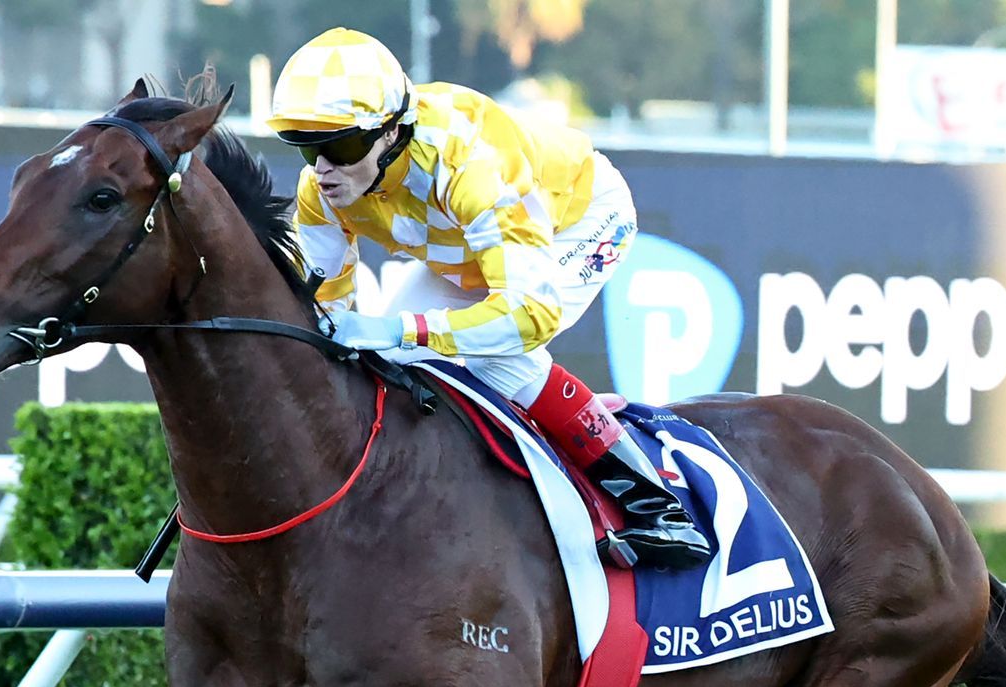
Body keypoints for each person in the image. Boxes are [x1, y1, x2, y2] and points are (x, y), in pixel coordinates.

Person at [266, 27, 709, 568]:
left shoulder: (469, 166)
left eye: (339, 147)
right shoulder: (322, 190)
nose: (321, 168)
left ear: (392, 131)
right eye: (306, 146)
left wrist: (404, 330)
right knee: (388, 356)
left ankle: (657, 507)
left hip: (579, 220)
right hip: (473, 251)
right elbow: (322, 312)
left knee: (494, 353)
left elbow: (529, 314)